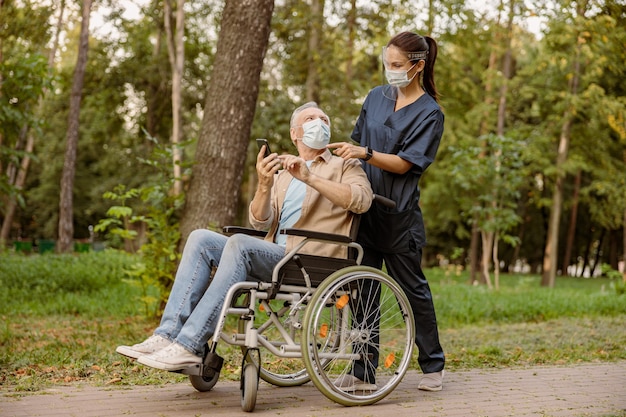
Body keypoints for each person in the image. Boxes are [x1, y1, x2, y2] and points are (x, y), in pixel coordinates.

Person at [116, 102, 373, 370]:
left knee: (240, 245)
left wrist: (310, 177)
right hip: (277, 256)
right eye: (310, 118)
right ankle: (166, 335)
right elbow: (261, 222)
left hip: (312, 259)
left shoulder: (346, 165)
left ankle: (188, 345)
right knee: (200, 238)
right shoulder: (284, 175)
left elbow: (362, 201)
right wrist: (264, 185)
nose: (319, 122)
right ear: (295, 134)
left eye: (324, 119)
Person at [328, 31, 446, 392]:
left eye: (396, 66)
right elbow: (355, 143)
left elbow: (405, 164)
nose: (389, 71)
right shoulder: (375, 98)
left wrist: (364, 154)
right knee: (363, 290)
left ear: (418, 66)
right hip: (365, 210)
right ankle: (363, 371)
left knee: (413, 290)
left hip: (399, 217)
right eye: (387, 63)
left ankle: (433, 365)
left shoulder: (430, 114)